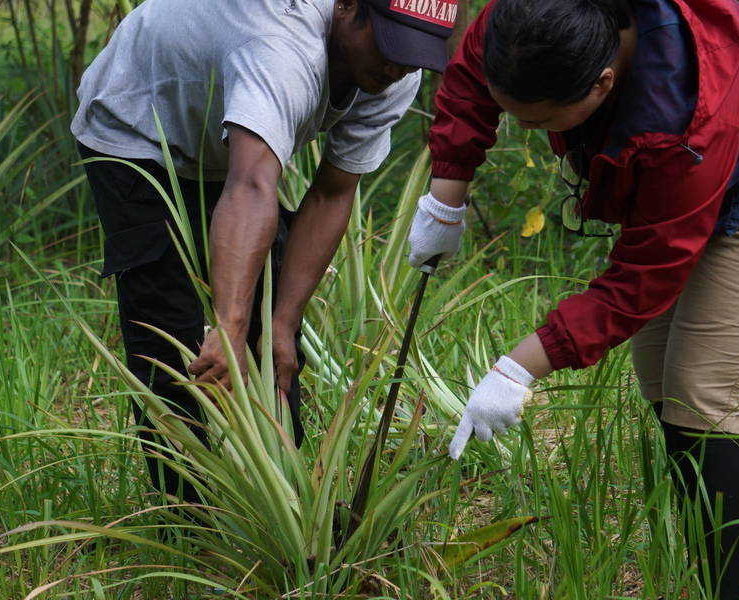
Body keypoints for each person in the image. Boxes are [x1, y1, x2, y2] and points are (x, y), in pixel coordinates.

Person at [410, 0, 739, 597]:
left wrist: (519, 366)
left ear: (603, 82)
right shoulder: (534, 19)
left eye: (539, 124)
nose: (524, 131)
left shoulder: (688, 115)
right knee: (665, 391)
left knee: (707, 405)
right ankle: (707, 572)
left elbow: (645, 274)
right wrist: (446, 194)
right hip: (678, 182)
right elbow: (471, 75)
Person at [71, 0, 457, 506]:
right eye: (388, 45)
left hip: (226, 142)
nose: (397, 66)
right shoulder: (280, 46)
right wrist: (227, 327)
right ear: (345, 8)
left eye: (414, 53)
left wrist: (278, 324)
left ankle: (286, 505)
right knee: (171, 326)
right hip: (138, 123)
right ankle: (186, 522)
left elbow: (332, 192)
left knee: (272, 329)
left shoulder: (394, 75)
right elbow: (251, 186)